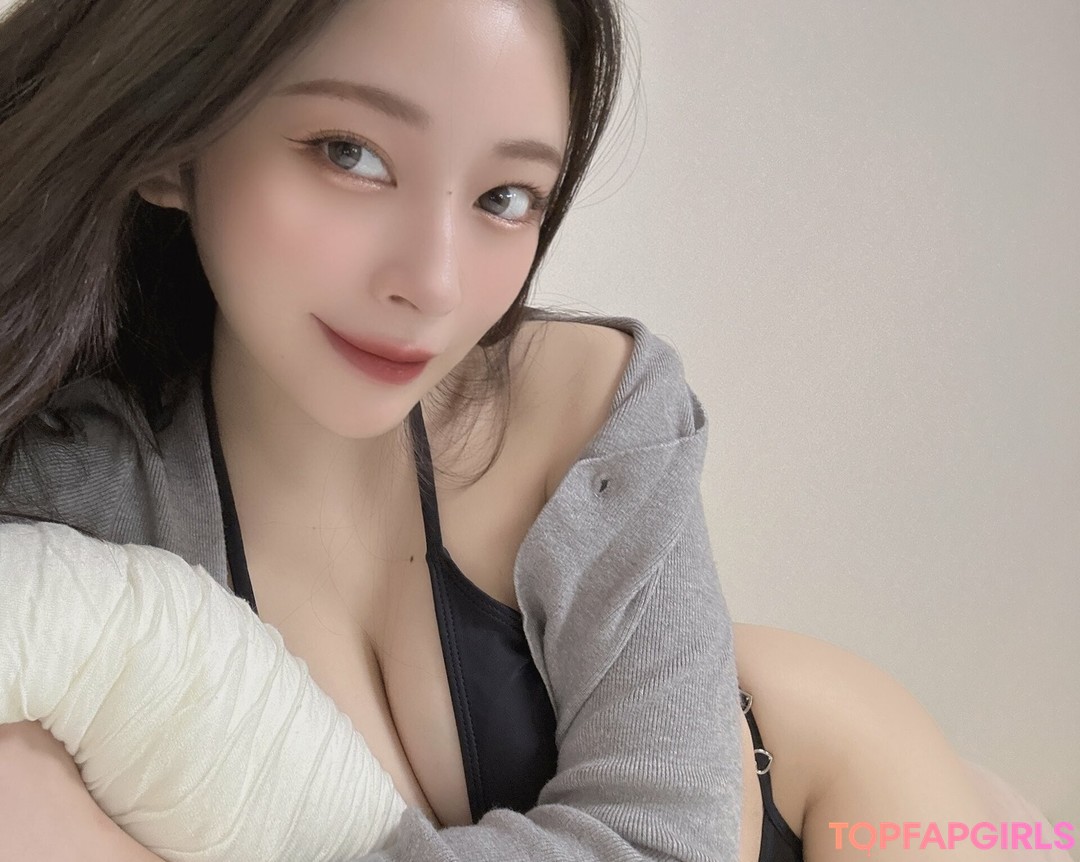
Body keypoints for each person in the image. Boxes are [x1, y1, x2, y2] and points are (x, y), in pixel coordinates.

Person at [0, 1, 1067, 861]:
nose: (433, 282)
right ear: (173, 141)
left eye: (505, 197)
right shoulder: (74, 508)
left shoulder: (585, 409)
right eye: (350, 153)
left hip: (832, 784)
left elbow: (666, 841)